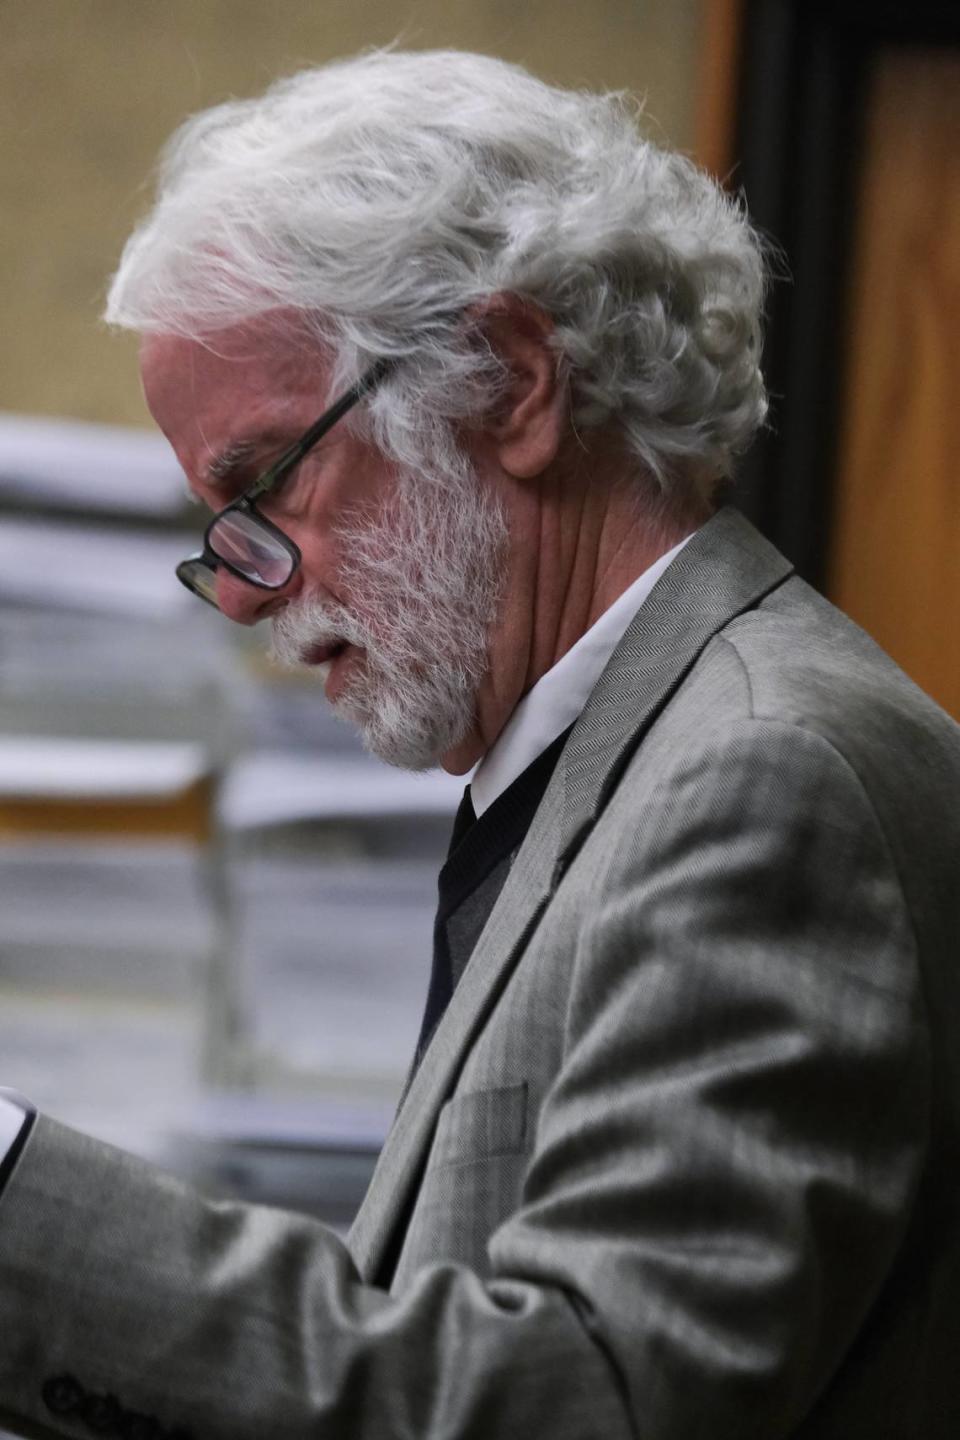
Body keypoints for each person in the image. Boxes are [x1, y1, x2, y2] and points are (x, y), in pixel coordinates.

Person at [0, 48, 957, 1440]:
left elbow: (588, 1401)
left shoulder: (765, 775)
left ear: (512, 383)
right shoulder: (614, 750)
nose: (254, 588)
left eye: (264, 481)